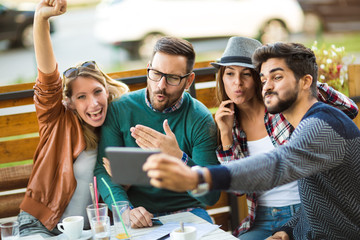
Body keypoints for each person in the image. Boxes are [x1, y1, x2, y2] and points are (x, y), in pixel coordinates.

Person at [143, 42, 360, 240]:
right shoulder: (304, 127)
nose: (266, 86)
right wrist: (287, 231)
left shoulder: (322, 125)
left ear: (305, 81)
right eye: (264, 79)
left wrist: (198, 176)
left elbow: (278, 164)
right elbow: (316, 204)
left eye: (277, 77)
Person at [211, 37, 358, 239]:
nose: (238, 82)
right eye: (229, 74)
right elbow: (240, 187)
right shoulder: (229, 121)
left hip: (306, 213)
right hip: (272, 218)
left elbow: (280, 163)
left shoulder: (299, 117)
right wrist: (226, 134)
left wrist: (304, 82)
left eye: (247, 74)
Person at [17, 0, 129, 237]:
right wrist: (41, 20)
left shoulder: (117, 125)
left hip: (91, 230)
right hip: (42, 225)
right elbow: (47, 77)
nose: (94, 103)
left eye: (97, 92)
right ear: (69, 102)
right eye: (82, 97)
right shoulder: (57, 122)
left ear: (107, 91)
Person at [94, 36, 220, 228]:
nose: (161, 85)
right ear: (148, 69)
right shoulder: (120, 110)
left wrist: (178, 157)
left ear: (189, 81)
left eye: (173, 78)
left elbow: (210, 196)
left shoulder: (199, 118)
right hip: (139, 214)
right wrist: (124, 210)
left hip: (188, 211)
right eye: (156, 73)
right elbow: (102, 170)